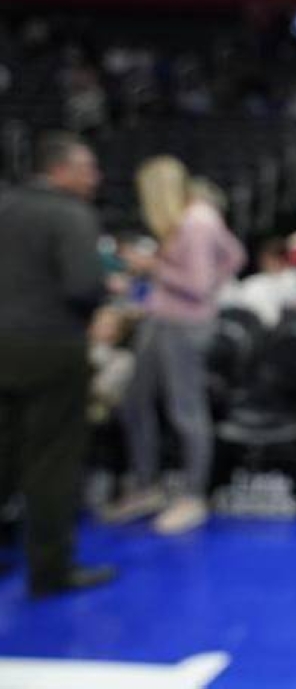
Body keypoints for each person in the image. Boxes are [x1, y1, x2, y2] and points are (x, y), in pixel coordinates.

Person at [0, 131, 116, 596]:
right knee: (51, 462)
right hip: (51, 347)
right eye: (88, 169)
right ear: (60, 170)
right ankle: (50, 572)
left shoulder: (5, 204)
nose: (96, 178)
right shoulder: (70, 214)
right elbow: (83, 286)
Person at [106, 156, 245, 534]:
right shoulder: (194, 217)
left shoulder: (196, 222)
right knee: (135, 401)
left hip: (184, 325)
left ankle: (192, 497)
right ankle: (147, 485)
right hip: (161, 316)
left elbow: (197, 284)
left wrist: (151, 267)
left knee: (185, 409)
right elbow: (235, 255)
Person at [220, 238, 296, 328]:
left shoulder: (293, 280)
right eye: (265, 259)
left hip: (281, 330)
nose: (268, 263)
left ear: (284, 260)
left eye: (273, 259)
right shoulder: (253, 282)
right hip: (251, 327)